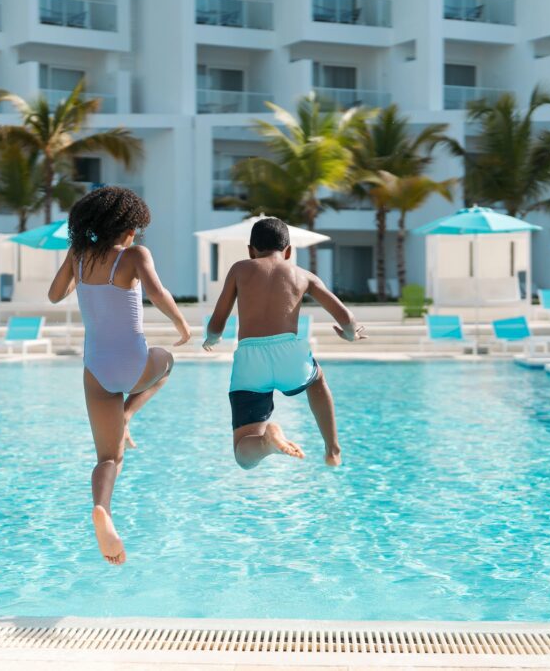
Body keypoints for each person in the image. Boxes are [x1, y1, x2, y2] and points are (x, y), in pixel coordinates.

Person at [48, 186, 191, 566]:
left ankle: (102, 508)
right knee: (168, 363)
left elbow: (54, 295)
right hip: (135, 364)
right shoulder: (134, 256)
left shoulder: (79, 255)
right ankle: (129, 414)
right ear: (126, 227)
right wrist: (183, 326)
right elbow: (158, 294)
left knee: (108, 457)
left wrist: (73, 259)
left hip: (96, 369)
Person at [203, 217, 366, 469]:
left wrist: (212, 338)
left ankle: (266, 443)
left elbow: (217, 323)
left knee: (243, 454)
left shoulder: (240, 269)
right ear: (289, 251)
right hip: (290, 355)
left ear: (250, 250)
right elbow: (346, 317)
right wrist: (349, 333)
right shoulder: (303, 275)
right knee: (317, 379)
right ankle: (332, 448)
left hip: (250, 360)